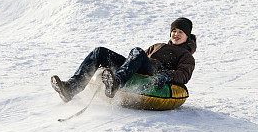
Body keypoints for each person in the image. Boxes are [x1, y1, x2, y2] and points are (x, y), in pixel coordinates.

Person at [51, 17, 196, 102]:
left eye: (180, 32)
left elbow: (184, 74)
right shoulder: (159, 46)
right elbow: (136, 59)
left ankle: (116, 83)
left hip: (153, 72)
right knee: (100, 51)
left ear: (187, 36)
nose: (176, 34)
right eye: (174, 31)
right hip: (140, 67)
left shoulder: (186, 56)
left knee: (137, 51)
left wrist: (167, 75)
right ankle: (71, 88)